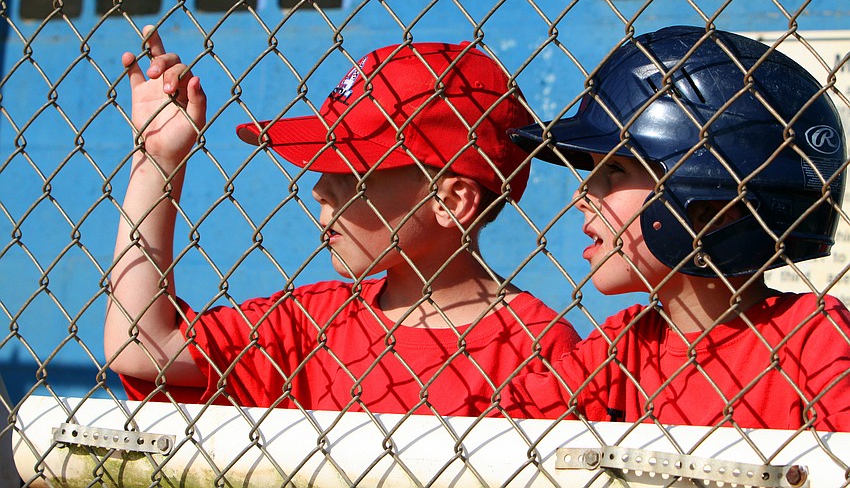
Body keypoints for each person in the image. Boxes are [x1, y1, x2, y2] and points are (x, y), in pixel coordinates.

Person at [104, 26, 580, 416]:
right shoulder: (310, 324)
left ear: (451, 201)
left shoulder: (540, 352)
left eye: (351, 172)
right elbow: (140, 347)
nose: (318, 188)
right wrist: (158, 163)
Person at [505, 25, 850, 430]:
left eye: (614, 170)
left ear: (709, 205)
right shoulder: (624, 348)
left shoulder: (814, 342)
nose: (581, 197)